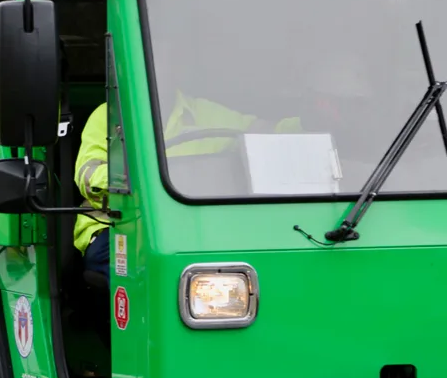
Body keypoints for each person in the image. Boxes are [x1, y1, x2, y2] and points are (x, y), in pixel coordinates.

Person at [72, 91, 300, 279]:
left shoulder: (203, 112)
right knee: (129, 267)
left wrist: (307, 122)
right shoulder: (109, 115)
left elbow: (260, 130)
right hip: (122, 223)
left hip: (198, 225)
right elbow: (87, 174)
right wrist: (141, 181)